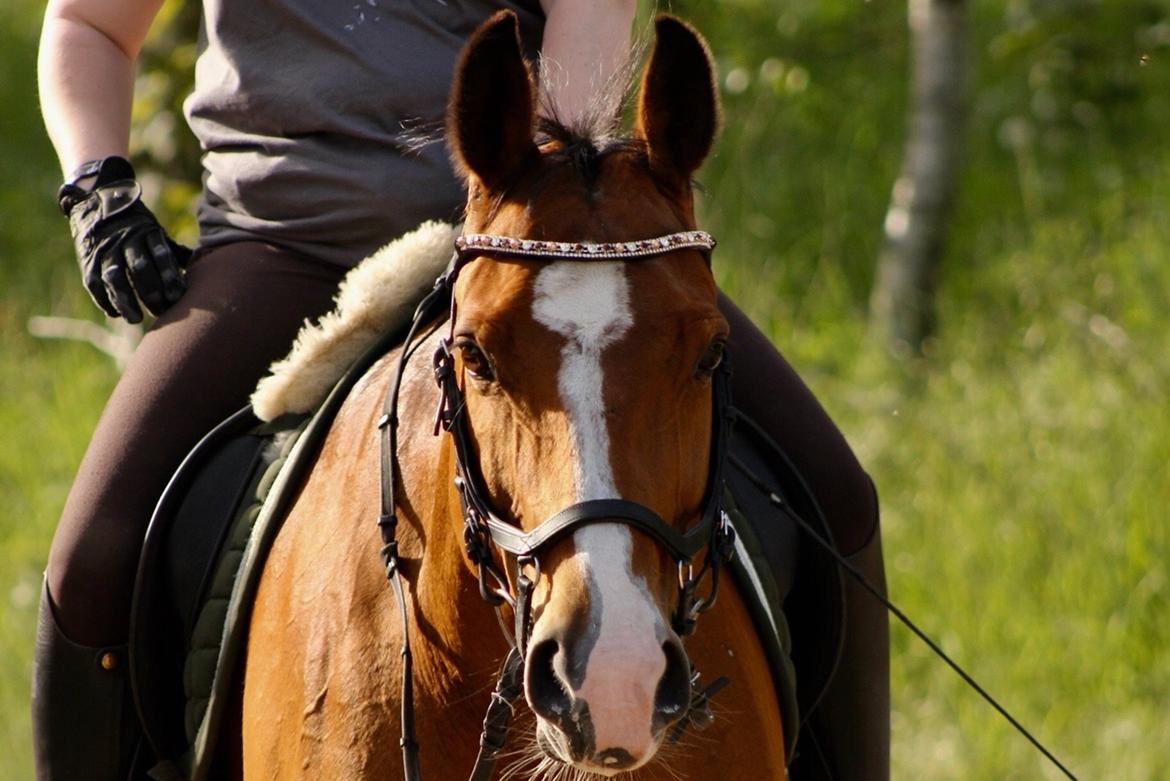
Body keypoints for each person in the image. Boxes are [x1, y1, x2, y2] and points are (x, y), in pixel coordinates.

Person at [33, 0, 888, 777]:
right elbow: (88, 26)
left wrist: (524, 220)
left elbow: (576, 100)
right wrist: (96, 189)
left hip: (524, 244)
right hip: (278, 242)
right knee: (93, 559)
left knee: (836, 498)